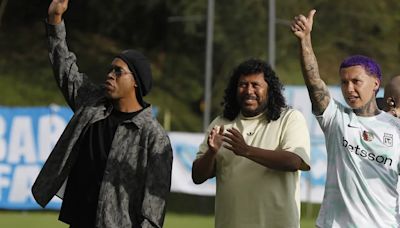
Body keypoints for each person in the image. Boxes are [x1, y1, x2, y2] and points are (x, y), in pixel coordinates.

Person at [31, 0, 173, 227]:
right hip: (78, 221)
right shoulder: (93, 103)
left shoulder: (153, 136)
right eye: (110, 69)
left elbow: (154, 207)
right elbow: (65, 69)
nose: (110, 75)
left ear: (136, 82)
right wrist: (55, 21)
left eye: (119, 71)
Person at [292, 9, 400, 227]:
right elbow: (314, 82)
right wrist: (305, 41)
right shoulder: (336, 119)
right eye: (343, 82)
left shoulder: (396, 129)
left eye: (356, 81)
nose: (349, 89)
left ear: (375, 84)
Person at [192, 58, 311, 228]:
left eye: (256, 85)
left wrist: (247, 150)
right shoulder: (221, 123)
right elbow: (198, 176)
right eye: (243, 85)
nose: (249, 91)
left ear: (269, 89)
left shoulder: (289, 118)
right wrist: (211, 153)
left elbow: (294, 161)